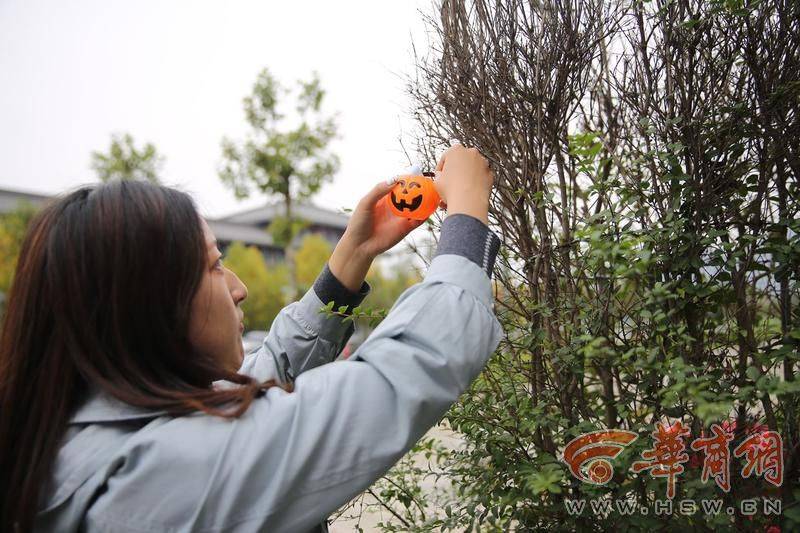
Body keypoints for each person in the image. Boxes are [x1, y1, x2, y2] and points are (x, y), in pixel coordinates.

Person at [0, 144, 502, 532]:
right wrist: (466, 222)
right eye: (215, 266)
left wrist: (352, 256)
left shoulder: (92, 433)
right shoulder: (151, 481)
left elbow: (259, 378)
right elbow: (398, 377)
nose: (239, 288)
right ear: (145, 307)